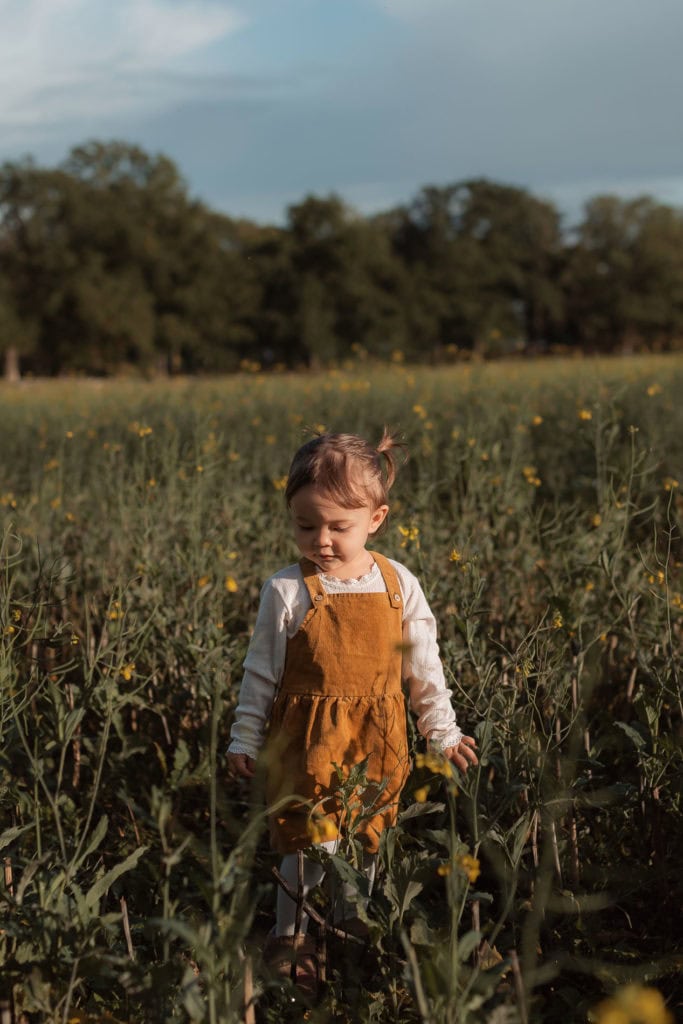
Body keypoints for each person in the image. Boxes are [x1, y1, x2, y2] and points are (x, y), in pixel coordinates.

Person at [227, 430, 478, 995]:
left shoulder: (399, 585)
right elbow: (260, 673)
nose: (321, 541)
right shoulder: (288, 590)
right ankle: (292, 940)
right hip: (308, 742)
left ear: (377, 518)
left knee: (365, 841)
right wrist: (244, 737)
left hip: (378, 741)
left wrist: (441, 730)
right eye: (305, 525)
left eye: (339, 527)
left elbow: (424, 669)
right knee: (309, 843)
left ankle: (349, 932)